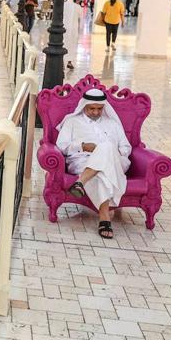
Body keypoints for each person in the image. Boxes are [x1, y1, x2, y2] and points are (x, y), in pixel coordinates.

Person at [56, 89, 130, 239]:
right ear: (84, 106)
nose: (96, 112)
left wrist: (112, 154)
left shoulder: (112, 124)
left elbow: (126, 147)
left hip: (114, 161)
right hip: (82, 160)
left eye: (99, 109)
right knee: (101, 172)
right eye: (92, 109)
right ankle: (104, 218)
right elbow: (61, 146)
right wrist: (83, 146)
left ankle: (81, 182)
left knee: (107, 147)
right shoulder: (72, 121)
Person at [62, 0, 82, 70]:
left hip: (63, 28)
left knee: (63, 43)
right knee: (72, 45)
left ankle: (62, 62)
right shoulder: (77, 7)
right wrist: (80, 29)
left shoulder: (63, 5)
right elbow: (81, 19)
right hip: (74, 29)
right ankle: (69, 62)